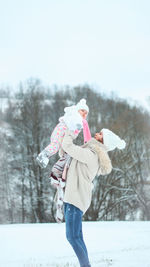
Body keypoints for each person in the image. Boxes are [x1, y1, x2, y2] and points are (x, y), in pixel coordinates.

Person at [61, 128, 126, 267]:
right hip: (72, 197)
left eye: (101, 134)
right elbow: (66, 152)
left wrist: (72, 130)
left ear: (103, 140)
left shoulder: (91, 155)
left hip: (75, 199)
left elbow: (68, 146)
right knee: (77, 237)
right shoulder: (89, 151)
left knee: (72, 237)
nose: (97, 133)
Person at [36, 99, 91, 170]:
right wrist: (78, 125)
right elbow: (76, 122)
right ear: (77, 110)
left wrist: (87, 141)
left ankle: (59, 162)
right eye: (82, 111)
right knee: (56, 145)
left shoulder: (81, 120)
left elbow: (86, 132)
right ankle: (44, 155)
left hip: (63, 132)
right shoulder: (76, 116)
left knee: (62, 148)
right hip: (62, 130)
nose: (84, 114)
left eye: (86, 113)